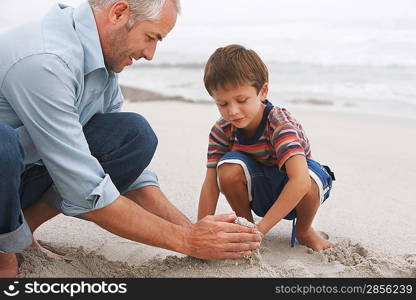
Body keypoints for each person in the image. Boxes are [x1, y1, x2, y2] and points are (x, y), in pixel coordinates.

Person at [0, 1, 261, 278]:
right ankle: (4, 251)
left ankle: (19, 231)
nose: (150, 54)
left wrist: (191, 230)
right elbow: (82, 187)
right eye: (150, 37)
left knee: (134, 136)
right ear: (119, 12)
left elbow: (122, 165)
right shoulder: (47, 59)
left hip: (16, 178)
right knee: (3, 145)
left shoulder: (102, 65)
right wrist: (188, 242)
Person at [197, 44, 336, 252]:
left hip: (300, 194)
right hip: (260, 192)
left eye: (241, 100)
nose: (233, 111)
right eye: (223, 104)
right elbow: (211, 184)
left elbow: (299, 181)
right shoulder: (221, 130)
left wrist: (262, 230)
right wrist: (201, 232)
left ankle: (304, 231)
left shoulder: (279, 123)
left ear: (263, 91)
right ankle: (246, 227)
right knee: (226, 168)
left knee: (308, 176)